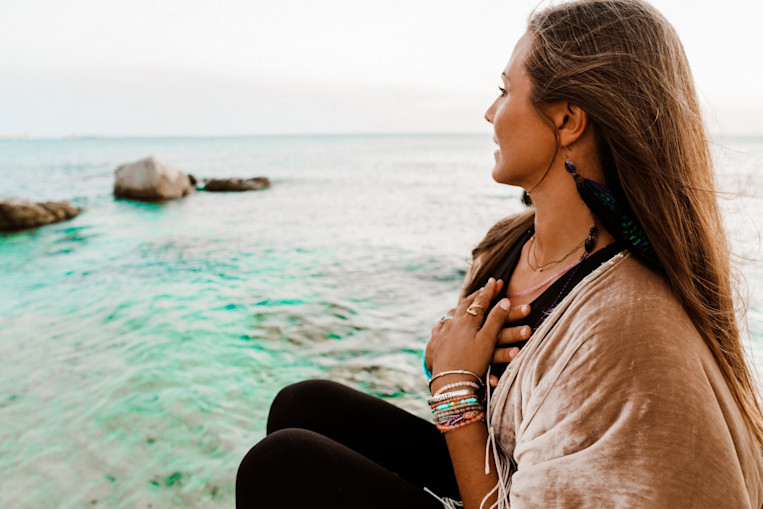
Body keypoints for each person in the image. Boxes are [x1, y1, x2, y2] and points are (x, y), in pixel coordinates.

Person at [236, 0, 763, 507]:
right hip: (507, 473)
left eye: (505, 90)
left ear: (567, 120)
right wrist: (449, 354)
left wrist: (454, 392)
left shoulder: (622, 327)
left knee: (282, 466)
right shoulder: (509, 247)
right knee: (302, 405)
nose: (490, 112)